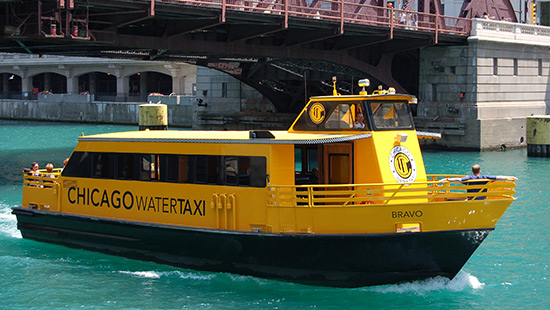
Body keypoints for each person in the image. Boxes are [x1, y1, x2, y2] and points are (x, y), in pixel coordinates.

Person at [441, 164, 517, 200]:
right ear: (480, 171)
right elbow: (498, 177)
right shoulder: (485, 177)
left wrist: (446, 179)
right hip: (482, 199)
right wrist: (510, 177)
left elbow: (459, 179)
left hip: (472, 199)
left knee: (450, 199)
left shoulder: (470, 178)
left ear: (472, 171)